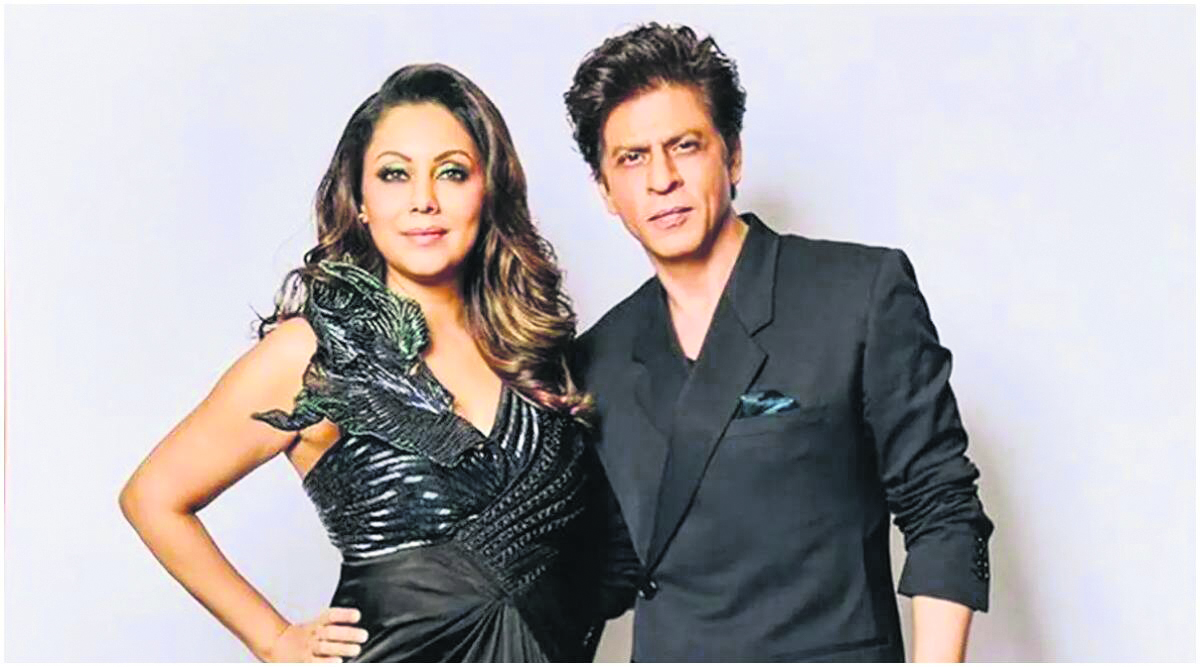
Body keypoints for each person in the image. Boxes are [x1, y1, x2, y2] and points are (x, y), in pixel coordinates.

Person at [120, 63, 636, 662]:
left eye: (452, 172)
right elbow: (153, 497)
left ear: (487, 190)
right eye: (395, 174)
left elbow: (601, 557)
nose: (423, 200)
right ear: (361, 201)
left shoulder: (534, 349)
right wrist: (274, 639)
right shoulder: (314, 354)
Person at [564, 23, 994, 662]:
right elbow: (604, 570)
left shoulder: (858, 294)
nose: (661, 179)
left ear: (732, 156)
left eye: (684, 146)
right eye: (632, 158)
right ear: (605, 189)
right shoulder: (596, 357)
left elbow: (944, 509)